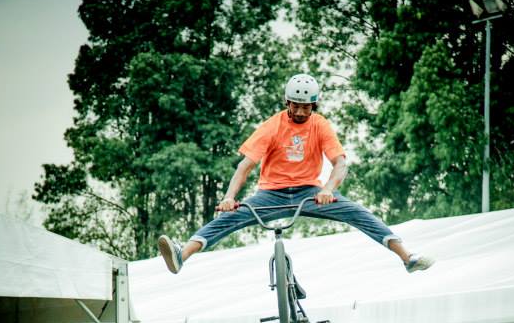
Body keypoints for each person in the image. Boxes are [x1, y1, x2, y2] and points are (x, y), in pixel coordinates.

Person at [158, 73, 434, 279]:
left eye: (307, 107)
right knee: (228, 218)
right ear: (287, 103)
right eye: (296, 106)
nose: (301, 112)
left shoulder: (320, 125)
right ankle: (182, 255)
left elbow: (340, 163)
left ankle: (407, 257)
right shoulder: (272, 126)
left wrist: (327, 189)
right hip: (270, 195)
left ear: (314, 105)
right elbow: (245, 166)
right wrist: (229, 197)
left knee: (358, 212)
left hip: (309, 193)